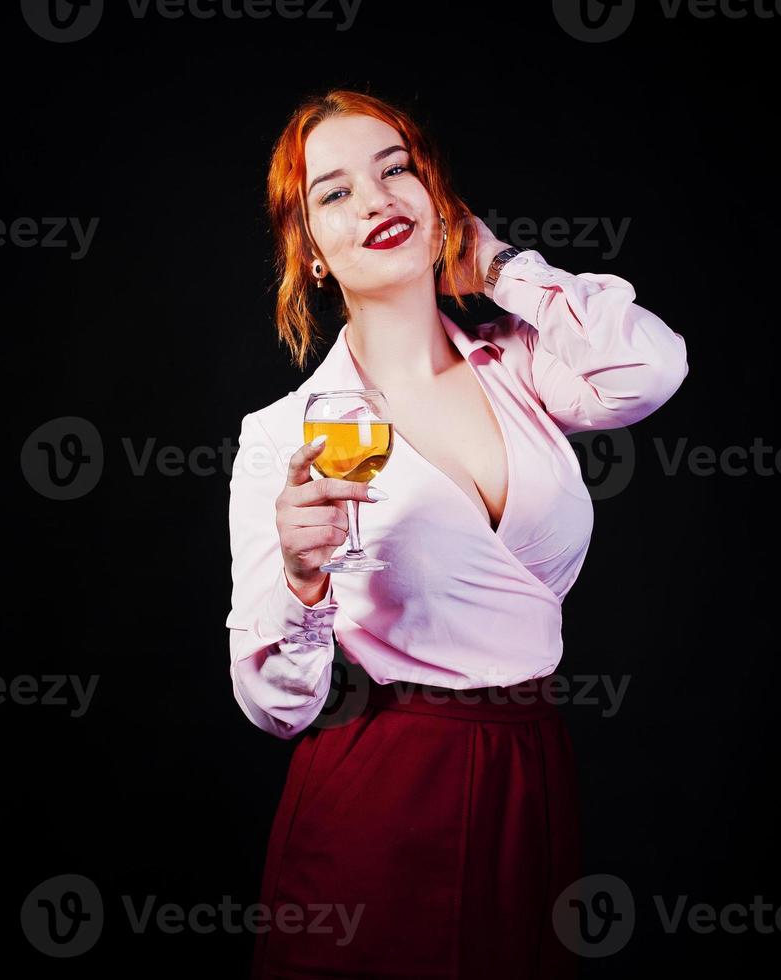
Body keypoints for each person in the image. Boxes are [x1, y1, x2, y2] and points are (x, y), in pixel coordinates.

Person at [226, 88, 689, 978]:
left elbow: (653, 363)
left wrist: (500, 266)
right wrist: (303, 576)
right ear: (311, 253)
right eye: (334, 192)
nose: (374, 199)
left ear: (437, 199)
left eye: (394, 169)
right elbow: (277, 705)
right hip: (381, 787)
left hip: (530, 770)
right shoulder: (285, 434)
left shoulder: (519, 366)